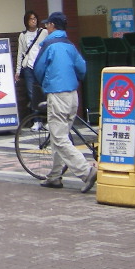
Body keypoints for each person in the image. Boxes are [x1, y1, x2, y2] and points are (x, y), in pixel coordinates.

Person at [31, 11, 98, 193]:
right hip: (72, 94)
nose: (46, 27)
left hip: (57, 94)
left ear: (52, 25)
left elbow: (38, 69)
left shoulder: (49, 45)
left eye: (47, 24)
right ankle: (54, 176)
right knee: (59, 136)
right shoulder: (70, 45)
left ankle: (86, 171)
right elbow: (82, 68)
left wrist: (45, 83)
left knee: (59, 139)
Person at [15, 11, 45, 118]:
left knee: (43, 92)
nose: (33, 21)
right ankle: (36, 120)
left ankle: (45, 119)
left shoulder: (43, 32)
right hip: (28, 67)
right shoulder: (23, 35)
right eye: (31, 19)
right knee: (31, 93)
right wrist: (18, 71)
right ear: (26, 21)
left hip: (41, 66)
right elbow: (20, 54)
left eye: (35, 18)